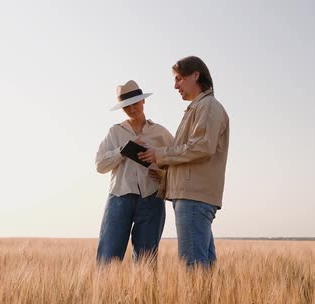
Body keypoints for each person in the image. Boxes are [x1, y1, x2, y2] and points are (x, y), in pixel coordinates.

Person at [138, 56, 230, 268]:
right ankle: (206, 302)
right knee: (202, 270)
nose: (175, 85)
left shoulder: (207, 106)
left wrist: (160, 154)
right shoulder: (199, 108)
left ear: (195, 75)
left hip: (193, 197)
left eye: (179, 79)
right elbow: (195, 154)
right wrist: (165, 174)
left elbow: (201, 147)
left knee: (193, 268)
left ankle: (198, 303)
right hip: (193, 195)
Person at [95, 80, 174, 264]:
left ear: (143, 101)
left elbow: (178, 162)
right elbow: (100, 165)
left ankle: (144, 293)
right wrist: (124, 150)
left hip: (152, 199)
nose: (131, 110)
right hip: (119, 198)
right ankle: (104, 293)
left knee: (146, 260)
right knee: (108, 257)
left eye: (135, 104)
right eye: (126, 107)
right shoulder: (115, 133)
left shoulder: (161, 133)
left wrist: (164, 176)